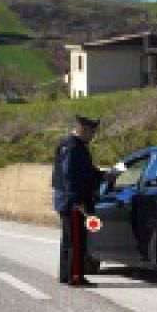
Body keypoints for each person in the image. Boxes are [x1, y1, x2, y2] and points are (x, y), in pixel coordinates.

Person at [52, 115, 103, 287]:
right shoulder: (72, 146)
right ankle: (75, 277)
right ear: (82, 129)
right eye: (91, 132)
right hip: (72, 201)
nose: (93, 136)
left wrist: (103, 175)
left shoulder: (75, 145)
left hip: (70, 200)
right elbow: (68, 176)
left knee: (70, 239)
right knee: (76, 240)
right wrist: (77, 201)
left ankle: (67, 276)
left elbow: (85, 171)